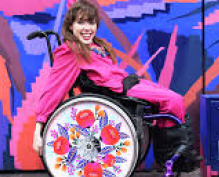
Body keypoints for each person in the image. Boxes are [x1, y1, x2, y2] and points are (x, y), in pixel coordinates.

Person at [33, 0, 198, 165]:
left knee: (172, 102)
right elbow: (54, 89)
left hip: (128, 83)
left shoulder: (95, 46)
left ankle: (174, 155)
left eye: (91, 23)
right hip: (120, 92)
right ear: (70, 26)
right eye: (80, 23)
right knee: (173, 100)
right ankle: (173, 157)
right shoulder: (70, 52)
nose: (87, 28)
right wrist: (38, 128)